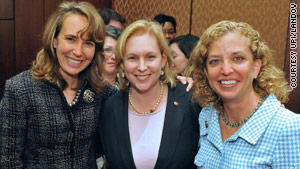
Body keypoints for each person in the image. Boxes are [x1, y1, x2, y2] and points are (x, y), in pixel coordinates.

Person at [0, 2, 117, 168]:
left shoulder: (102, 91)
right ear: (54, 40)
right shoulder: (20, 89)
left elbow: (106, 148)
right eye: (71, 39)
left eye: (88, 43)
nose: (78, 51)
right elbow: (8, 161)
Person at [191, 20, 300, 168]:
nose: (226, 70)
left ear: (256, 67)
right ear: (206, 72)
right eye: (215, 61)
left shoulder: (288, 127)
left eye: (238, 59)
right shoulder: (207, 116)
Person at [98, 19, 201, 169]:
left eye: (150, 57)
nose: (141, 67)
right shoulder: (110, 107)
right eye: (132, 58)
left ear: (163, 60)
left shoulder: (189, 101)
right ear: (122, 64)